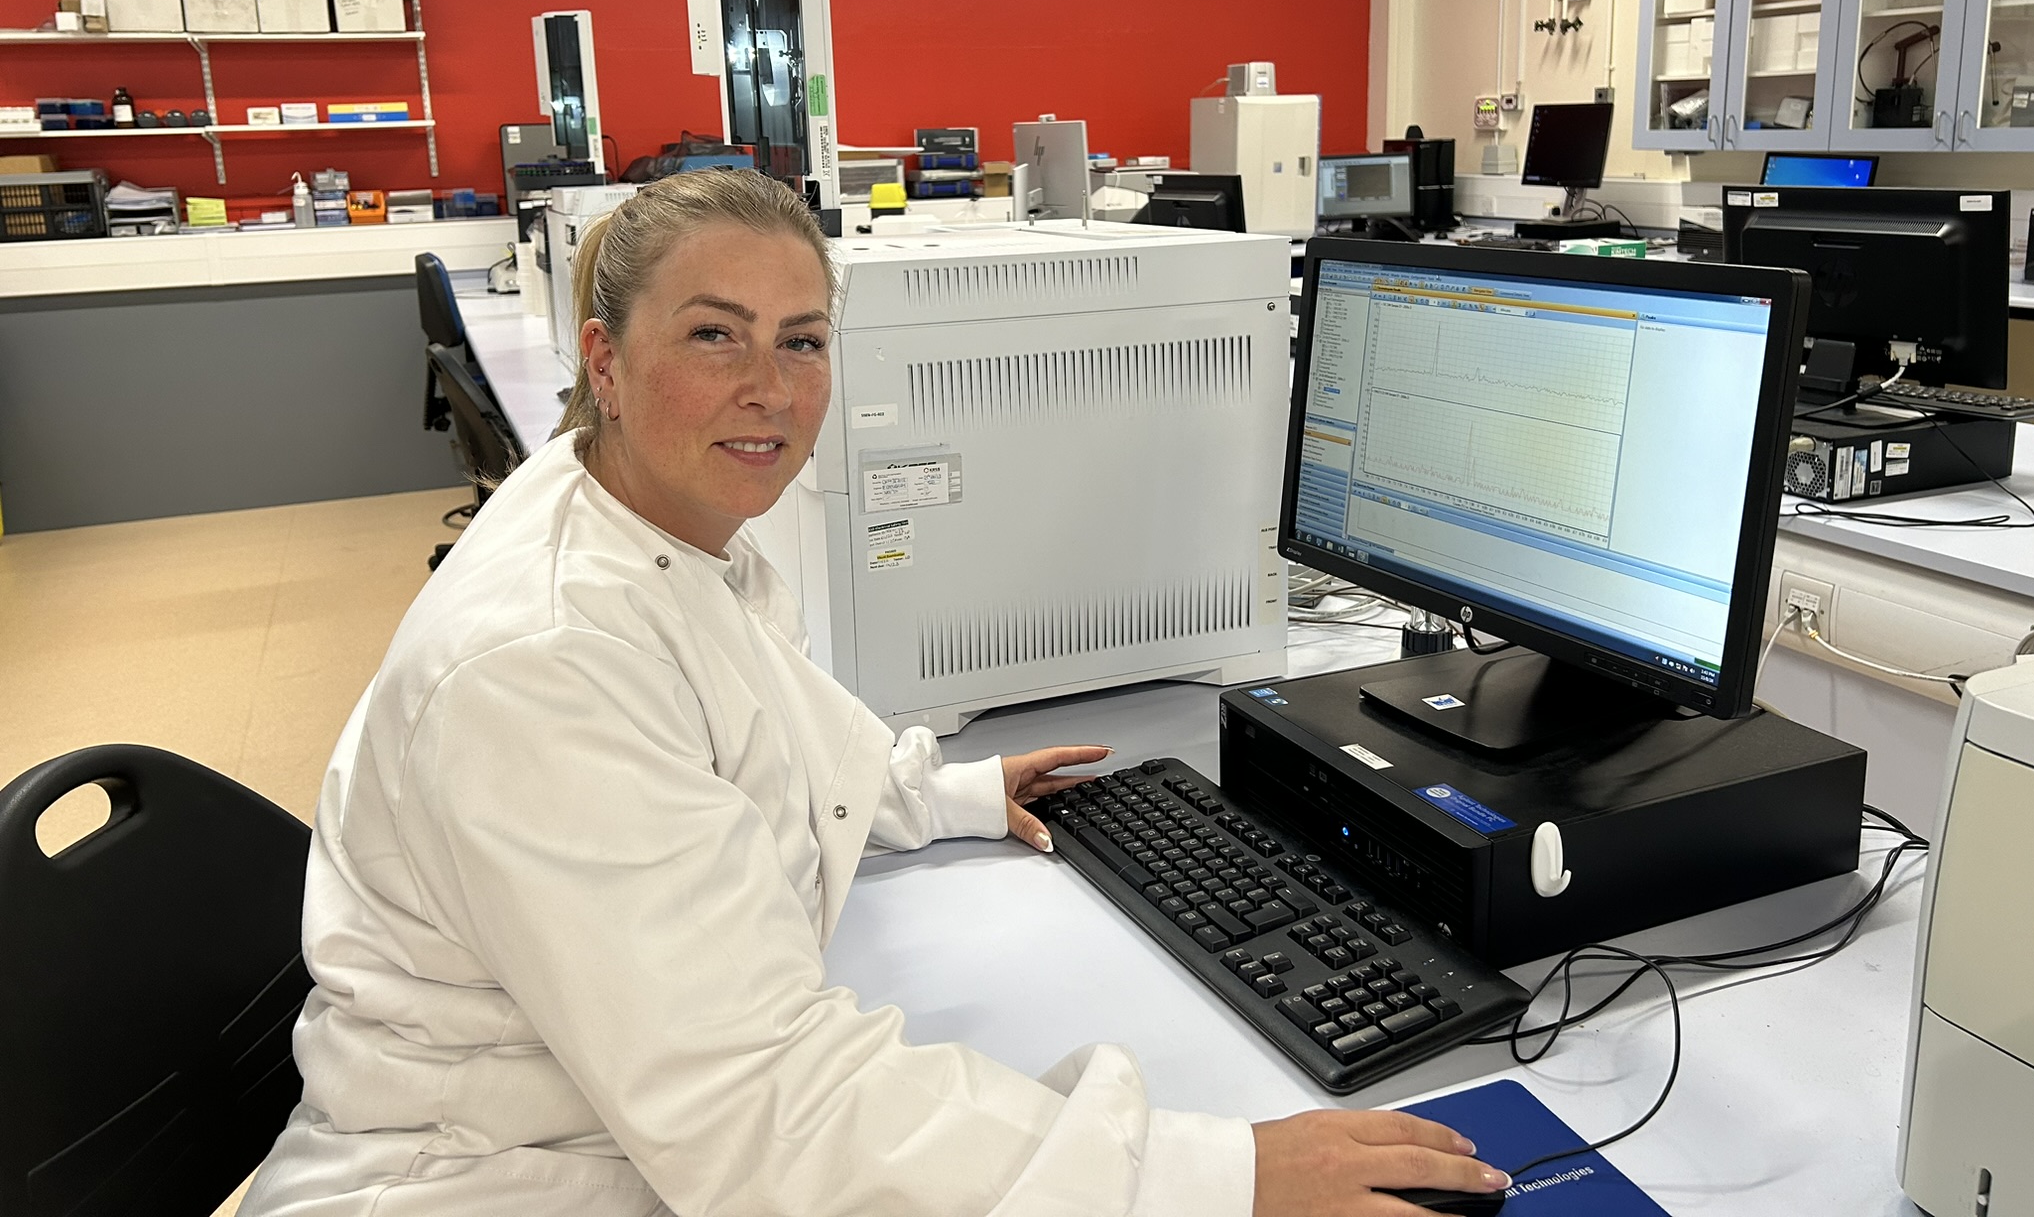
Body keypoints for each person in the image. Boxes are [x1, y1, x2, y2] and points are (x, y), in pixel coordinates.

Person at [243, 170, 1511, 1216]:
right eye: (711, 335)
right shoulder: (544, 660)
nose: (770, 389)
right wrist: (1213, 1177)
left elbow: (750, 733)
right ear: (604, 360)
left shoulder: (643, 523)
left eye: (801, 342)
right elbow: (762, 1108)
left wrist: (942, 790)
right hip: (490, 1179)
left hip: (607, 1116)